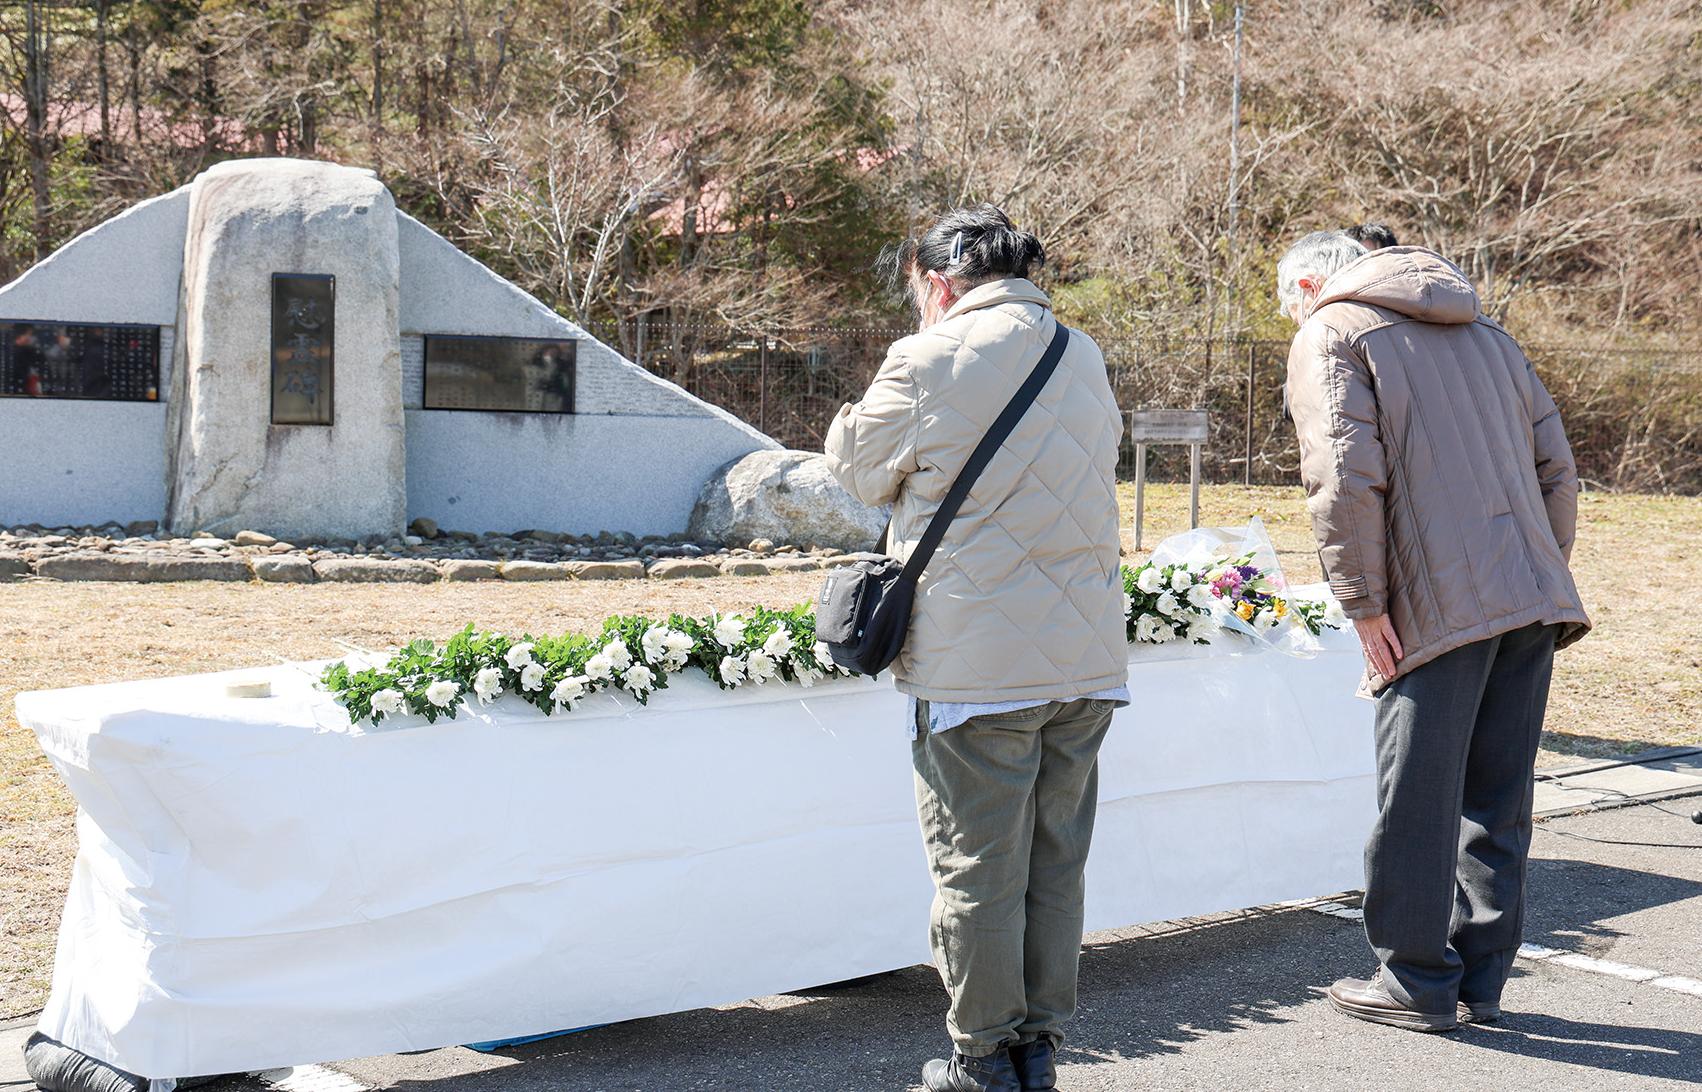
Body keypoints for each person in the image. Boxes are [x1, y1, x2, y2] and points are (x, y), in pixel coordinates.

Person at [824, 204, 1128, 1092]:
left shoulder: (924, 358)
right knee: (1053, 867)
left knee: (977, 870)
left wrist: (864, 408)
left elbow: (858, 467)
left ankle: (982, 1058)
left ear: (937, 281)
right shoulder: (1082, 352)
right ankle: (1039, 1050)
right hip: (1084, 658)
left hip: (976, 663)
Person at [1277, 230, 1590, 1032]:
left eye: (1289, 304)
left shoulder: (1333, 333)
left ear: (1311, 283)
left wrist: (1364, 604)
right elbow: (1557, 467)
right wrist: (1533, 565)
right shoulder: (1489, 334)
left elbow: (1344, 478)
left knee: (1415, 796)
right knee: (1498, 796)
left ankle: (1415, 981)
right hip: (1530, 593)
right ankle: (1481, 981)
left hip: (1434, 603)